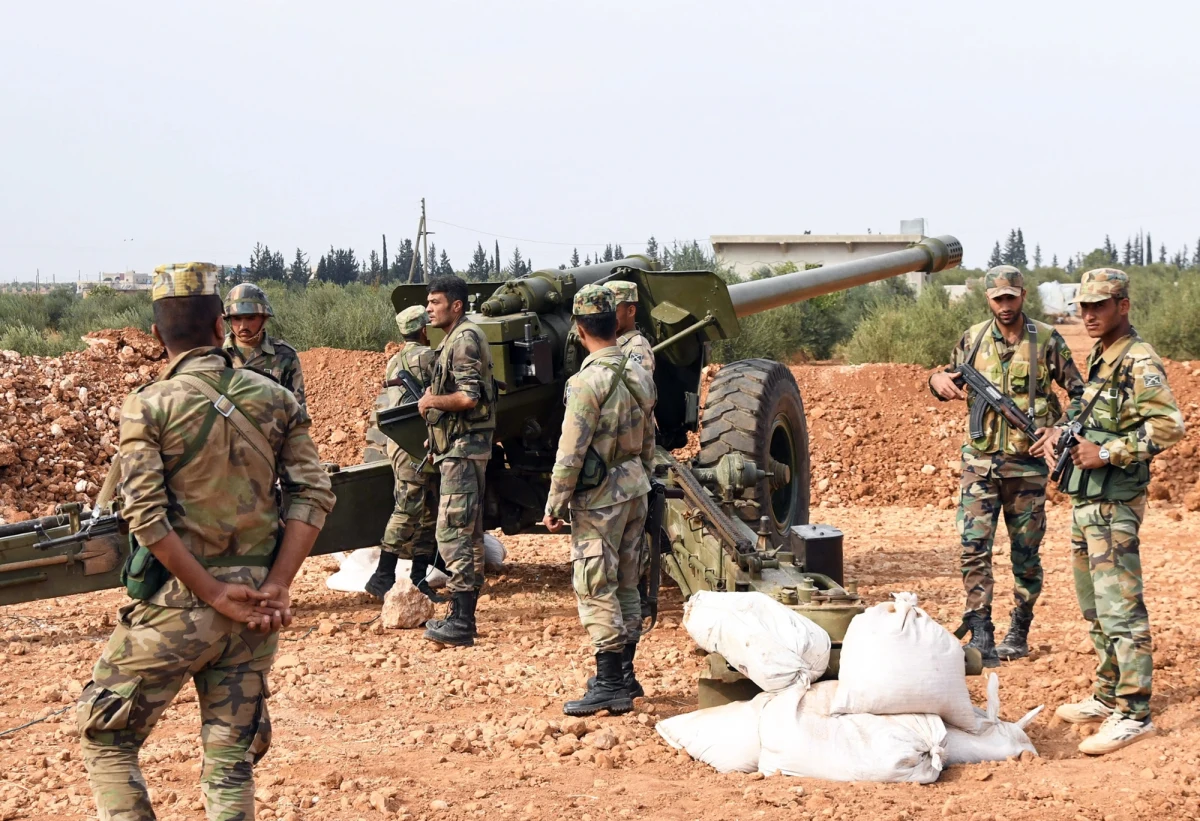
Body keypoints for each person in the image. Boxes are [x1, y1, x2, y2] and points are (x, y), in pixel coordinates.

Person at [76, 262, 335, 821]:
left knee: (108, 738)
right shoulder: (276, 399)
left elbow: (145, 515)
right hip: (256, 610)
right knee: (231, 764)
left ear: (155, 336)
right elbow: (314, 494)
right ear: (221, 326)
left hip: (177, 606)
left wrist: (213, 593)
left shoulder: (148, 404)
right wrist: (277, 585)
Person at [1031, 268, 1184, 754]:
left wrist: (1106, 452)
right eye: (1084, 306)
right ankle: (1107, 694)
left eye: (1100, 305)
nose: (1090, 314)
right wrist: (1060, 431)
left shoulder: (1139, 360)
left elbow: (1169, 426)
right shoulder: (1102, 354)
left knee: (1120, 608)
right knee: (1095, 607)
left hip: (1116, 501)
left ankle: (1134, 713)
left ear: (1123, 306)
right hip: (1088, 501)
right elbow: (1091, 411)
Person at [929, 266, 1084, 665]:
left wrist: (1059, 429)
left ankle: (1020, 627)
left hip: (1027, 469)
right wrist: (936, 381)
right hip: (979, 466)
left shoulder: (1046, 339)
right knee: (973, 548)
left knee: (1025, 555)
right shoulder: (973, 338)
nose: (1005, 305)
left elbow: (1081, 394)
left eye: (1011, 297)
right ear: (988, 299)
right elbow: (948, 378)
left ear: (1023, 296)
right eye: (998, 299)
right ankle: (981, 629)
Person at [543, 284, 656, 716]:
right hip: (635, 488)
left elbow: (570, 450)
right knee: (627, 582)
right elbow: (649, 439)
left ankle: (609, 683)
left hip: (600, 499)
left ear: (579, 329)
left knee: (595, 585)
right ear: (613, 322)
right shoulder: (639, 373)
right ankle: (625, 675)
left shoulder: (586, 381)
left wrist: (555, 504)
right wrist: (643, 476)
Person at [418, 275, 496, 647]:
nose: (429, 309)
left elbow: (468, 397)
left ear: (457, 305)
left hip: (463, 450)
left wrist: (431, 401)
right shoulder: (458, 337)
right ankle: (465, 616)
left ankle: (461, 620)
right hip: (461, 446)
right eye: (428, 302)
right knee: (469, 533)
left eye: (435, 302)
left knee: (453, 532)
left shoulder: (463, 339)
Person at [365, 305, 444, 603]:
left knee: (428, 509)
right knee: (410, 507)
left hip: (403, 441)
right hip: (416, 441)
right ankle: (382, 576)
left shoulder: (394, 360)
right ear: (424, 330)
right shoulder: (428, 357)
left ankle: (419, 580)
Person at [223, 282, 307, 414]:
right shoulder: (215, 353)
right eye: (237, 318)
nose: (243, 326)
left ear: (264, 318)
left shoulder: (284, 355)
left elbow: (297, 411)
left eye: (251, 318)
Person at [607, 280, 655, 376]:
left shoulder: (637, 348)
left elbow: (639, 384)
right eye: (605, 310)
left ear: (630, 311)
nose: (607, 315)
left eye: (613, 310)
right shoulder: (613, 341)